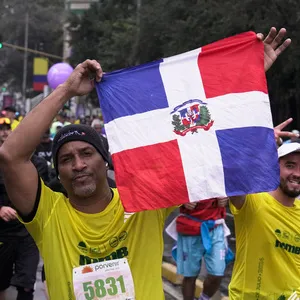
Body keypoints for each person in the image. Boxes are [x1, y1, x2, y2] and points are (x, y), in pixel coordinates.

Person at [0, 27, 290, 299]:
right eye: (66, 159)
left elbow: (200, 147)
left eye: (87, 154)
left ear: (105, 161)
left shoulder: (144, 200)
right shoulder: (49, 214)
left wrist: (243, 79)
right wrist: (66, 90)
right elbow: (11, 155)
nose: (78, 164)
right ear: (58, 172)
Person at [229, 118, 300, 299]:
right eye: (290, 165)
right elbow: (233, 175)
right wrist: (259, 145)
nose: (297, 174)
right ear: (274, 168)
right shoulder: (253, 202)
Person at [0, 118, 48, 300]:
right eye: (1, 129)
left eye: (8, 129)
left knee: (27, 285)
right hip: (3, 233)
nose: (5, 132)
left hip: (28, 233)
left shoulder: (38, 164)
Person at [175, 198, 230, 300]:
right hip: (189, 227)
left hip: (215, 226)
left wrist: (227, 198)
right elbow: (171, 188)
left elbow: (234, 187)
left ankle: (204, 298)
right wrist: (181, 200)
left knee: (217, 273)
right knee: (190, 275)